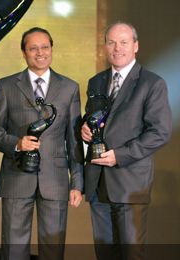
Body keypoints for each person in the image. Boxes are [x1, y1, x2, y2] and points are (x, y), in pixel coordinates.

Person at [0, 27, 84, 260]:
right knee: (14, 250)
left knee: (53, 250)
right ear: (23, 52)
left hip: (55, 180)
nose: (40, 53)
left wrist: (77, 183)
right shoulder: (6, 86)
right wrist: (16, 143)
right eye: (33, 48)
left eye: (45, 47)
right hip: (16, 177)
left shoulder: (69, 88)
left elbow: (74, 139)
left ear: (51, 49)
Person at [81, 22, 172, 260]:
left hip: (130, 184)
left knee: (131, 254)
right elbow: (93, 118)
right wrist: (83, 128)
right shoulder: (96, 82)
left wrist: (119, 155)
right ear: (105, 46)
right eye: (111, 42)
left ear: (136, 46)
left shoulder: (152, 83)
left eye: (123, 42)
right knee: (104, 254)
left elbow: (160, 132)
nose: (117, 48)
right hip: (97, 183)